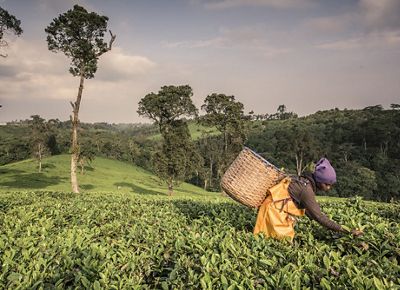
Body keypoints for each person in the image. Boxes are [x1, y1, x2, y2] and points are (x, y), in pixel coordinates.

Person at [253, 157, 363, 240]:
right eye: (327, 184)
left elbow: (310, 212)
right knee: (279, 242)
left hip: (273, 209)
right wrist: (346, 230)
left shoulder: (303, 181)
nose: (328, 188)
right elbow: (318, 217)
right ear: (320, 181)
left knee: (275, 240)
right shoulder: (306, 190)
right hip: (273, 212)